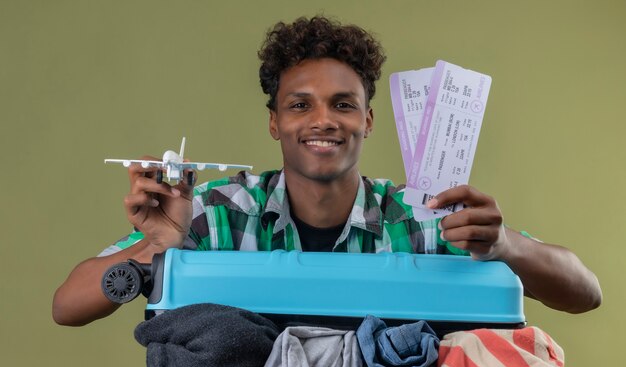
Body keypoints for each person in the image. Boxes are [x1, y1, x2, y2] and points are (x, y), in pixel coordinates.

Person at [52, 16, 601, 327]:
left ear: (368, 120)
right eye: (300, 105)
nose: (323, 121)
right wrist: (161, 244)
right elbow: (67, 306)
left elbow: (585, 290)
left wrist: (505, 246)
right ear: (274, 123)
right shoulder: (212, 213)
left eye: (342, 105)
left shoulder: (424, 216)